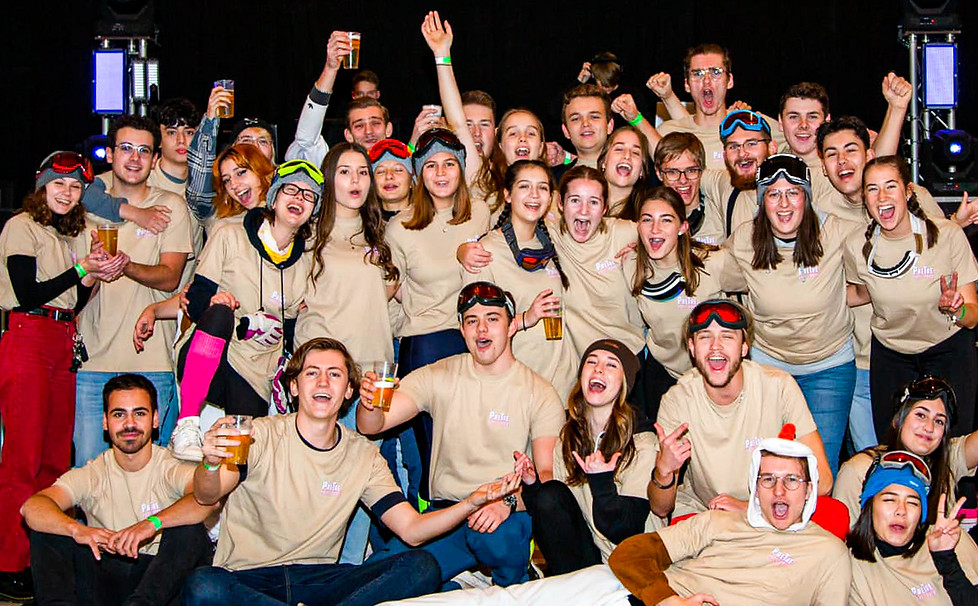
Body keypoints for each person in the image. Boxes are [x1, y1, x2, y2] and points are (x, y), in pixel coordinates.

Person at [182, 337, 520, 606]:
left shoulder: (363, 455)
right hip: (248, 579)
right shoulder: (259, 434)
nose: (322, 381)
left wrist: (471, 503)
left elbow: (413, 531)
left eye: (334, 374)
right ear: (295, 387)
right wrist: (210, 463)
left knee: (421, 567)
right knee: (203, 584)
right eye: (311, 373)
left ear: (348, 392)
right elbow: (207, 494)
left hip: (323, 582)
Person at [357, 281, 564, 588]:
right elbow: (371, 426)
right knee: (383, 573)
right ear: (462, 330)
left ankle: (518, 580)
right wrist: (370, 401)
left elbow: (547, 478)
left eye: (492, 319)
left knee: (496, 540)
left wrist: (507, 502)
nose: (482, 330)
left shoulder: (540, 392)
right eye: (472, 321)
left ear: (510, 326)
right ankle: (453, 583)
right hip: (449, 512)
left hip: (503, 512)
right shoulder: (440, 375)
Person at [0, 152, 118, 603]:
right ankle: (9, 562)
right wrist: (82, 270)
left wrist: (92, 276)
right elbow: (27, 290)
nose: (67, 194)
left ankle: (39, 560)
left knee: (54, 459)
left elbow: (71, 299)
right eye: (59, 185)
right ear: (42, 186)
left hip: (60, 336)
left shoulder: (70, 233)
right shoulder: (21, 227)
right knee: (23, 458)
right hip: (27, 334)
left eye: (74, 188)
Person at [167, 160, 321, 460]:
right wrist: (234, 316)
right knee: (220, 311)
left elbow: (289, 329)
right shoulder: (229, 233)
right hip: (213, 354)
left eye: (308, 195)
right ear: (274, 197)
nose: (298, 198)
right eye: (291, 190)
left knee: (241, 463)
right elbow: (197, 300)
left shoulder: (307, 260)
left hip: (255, 368)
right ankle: (187, 424)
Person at [721, 154, 861, 476]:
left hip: (829, 367)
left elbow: (883, 249)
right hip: (770, 369)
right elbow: (704, 266)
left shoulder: (836, 232)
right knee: (771, 467)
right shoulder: (744, 239)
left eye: (793, 192)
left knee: (819, 468)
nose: (784, 203)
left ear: (807, 198)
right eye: (773, 194)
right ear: (762, 201)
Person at [22, 374, 213, 606]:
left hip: (159, 584)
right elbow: (32, 507)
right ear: (105, 422)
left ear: (155, 420)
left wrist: (151, 523)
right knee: (48, 527)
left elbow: (206, 500)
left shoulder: (169, 467)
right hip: (106, 577)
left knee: (189, 529)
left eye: (139, 413)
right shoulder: (93, 472)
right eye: (119, 414)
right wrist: (75, 530)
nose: (129, 424)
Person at [74, 115, 194, 466]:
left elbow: (171, 277)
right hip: (91, 363)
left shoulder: (171, 205)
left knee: (153, 476)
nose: (134, 158)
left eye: (144, 151)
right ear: (109, 154)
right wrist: (92, 269)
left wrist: (125, 265)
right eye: (125, 148)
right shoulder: (83, 199)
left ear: (155, 159)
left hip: (151, 361)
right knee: (89, 473)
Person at [609, 434, 851, 605]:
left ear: (809, 490)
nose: (779, 490)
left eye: (791, 480)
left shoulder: (828, 552)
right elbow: (628, 555)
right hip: (642, 597)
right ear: (755, 488)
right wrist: (667, 600)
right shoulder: (718, 521)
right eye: (768, 479)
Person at [655, 299, 833, 518]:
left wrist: (752, 506)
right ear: (692, 348)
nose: (715, 346)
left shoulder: (778, 386)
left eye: (727, 337)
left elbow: (823, 482)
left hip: (773, 513)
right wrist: (664, 472)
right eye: (705, 337)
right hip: (705, 513)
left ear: (744, 347)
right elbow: (660, 508)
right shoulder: (677, 399)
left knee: (834, 516)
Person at [844, 155, 978, 439]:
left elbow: (973, 315)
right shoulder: (857, 246)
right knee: (893, 443)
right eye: (872, 189)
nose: (882, 197)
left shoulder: (948, 235)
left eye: (890, 186)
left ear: (907, 192)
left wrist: (956, 308)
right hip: (891, 357)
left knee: (952, 444)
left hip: (948, 351)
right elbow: (860, 292)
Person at [516, 339, 669, 576]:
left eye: (611, 365)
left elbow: (625, 529)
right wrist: (530, 485)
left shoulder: (642, 441)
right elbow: (557, 512)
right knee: (549, 494)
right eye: (591, 362)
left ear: (624, 384)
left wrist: (602, 482)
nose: (598, 369)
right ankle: (568, 587)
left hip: (635, 562)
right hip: (590, 557)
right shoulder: (569, 437)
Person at [461, 160, 576, 401]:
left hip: (561, 384)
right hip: (514, 386)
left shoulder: (553, 241)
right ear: (508, 195)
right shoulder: (485, 252)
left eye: (542, 188)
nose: (535, 195)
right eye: (524, 186)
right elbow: (475, 327)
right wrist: (526, 318)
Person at [623, 186, 725, 422]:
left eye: (666, 220)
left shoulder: (714, 263)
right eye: (647, 220)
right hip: (663, 375)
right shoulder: (629, 264)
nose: (655, 229)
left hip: (712, 374)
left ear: (683, 227)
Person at [834, 376, 978, 526]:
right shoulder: (859, 470)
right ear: (897, 420)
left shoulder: (945, 460)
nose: (929, 428)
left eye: (939, 421)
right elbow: (843, 541)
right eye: (921, 415)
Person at [848, 450, 978, 605]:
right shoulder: (850, 566)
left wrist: (946, 560)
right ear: (869, 507)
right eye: (889, 500)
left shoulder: (948, 538)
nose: (901, 511)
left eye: (912, 503)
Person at [654, 43, 784, 170]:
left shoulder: (755, 125)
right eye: (697, 74)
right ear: (687, 85)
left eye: (715, 72)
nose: (706, 80)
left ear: (730, 81)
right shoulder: (668, 132)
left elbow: (800, 143)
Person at [653, 132, 722, 245]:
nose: (683, 180)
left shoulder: (719, 210)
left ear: (702, 171)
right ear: (659, 174)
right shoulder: (650, 220)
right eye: (673, 172)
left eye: (691, 170)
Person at [599, 126, 650, 220]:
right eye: (619, 149)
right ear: (603, 162)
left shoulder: (647, 216)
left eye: (635, 152)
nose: (627, 155)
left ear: (642, 170)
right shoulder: (581, 206)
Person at [369, 138, 414, 219]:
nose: (389, 176)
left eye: (398, 170)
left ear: (411, 181)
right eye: (381, 171)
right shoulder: (363, 226)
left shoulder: (430, 222)